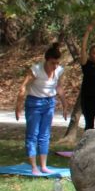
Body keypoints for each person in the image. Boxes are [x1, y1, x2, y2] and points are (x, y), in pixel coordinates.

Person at [14, 43, 68, 175]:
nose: (54, 66)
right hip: (34, 103)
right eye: (52, 63)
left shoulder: (59, 71)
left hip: (49, 103)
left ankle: (43, 165)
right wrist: (18, 107)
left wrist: (65, 105)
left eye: (57, 63)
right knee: (32, 134)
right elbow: (22, 88)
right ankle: (34, 166)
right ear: (46, 60)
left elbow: (59, 87)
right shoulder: (36, 70)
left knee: (45, 135)